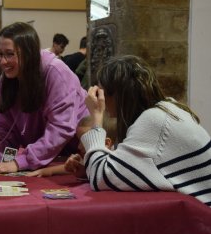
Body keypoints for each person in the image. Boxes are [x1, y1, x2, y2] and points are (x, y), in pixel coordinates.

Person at [82, 55, 211, 207]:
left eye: (100, 92)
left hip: (203, 220)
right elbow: (124, 169)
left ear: (116, 95)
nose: (98, 98)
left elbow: (100, 178)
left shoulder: (154, 120)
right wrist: (89, 164)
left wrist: (97, 117)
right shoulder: (167, 108)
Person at [0, 22, 89, 174]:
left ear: (29, 53)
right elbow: (3, 130)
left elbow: (61, 128)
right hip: (45, 158)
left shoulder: (56, 72)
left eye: (10, 54)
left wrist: (20, 162)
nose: (3, 62)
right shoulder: (5, 81)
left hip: (76, 157)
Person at [26, 116, 116, 178]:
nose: (79, 146)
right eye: (79, 141)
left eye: (85, 141)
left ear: (106, 143)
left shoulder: (116, 160)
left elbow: (98, 172)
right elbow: (87, 168)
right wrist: (49, 171)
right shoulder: (94, 157)